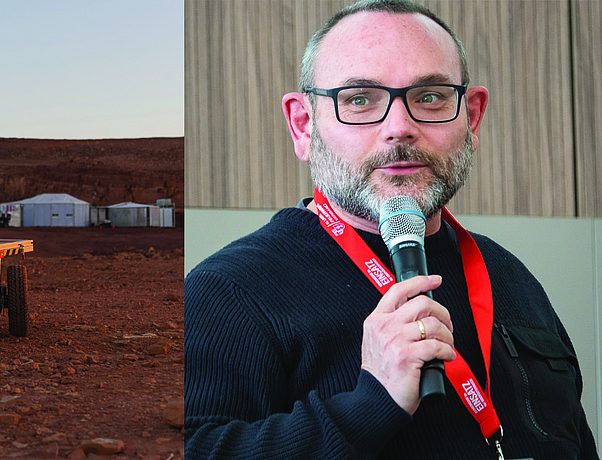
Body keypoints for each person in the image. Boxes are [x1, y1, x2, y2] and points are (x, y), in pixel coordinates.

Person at [183, 0, 598, 458]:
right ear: (304, 126)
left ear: (472, 116)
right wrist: (368, 405)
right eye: (359, 100)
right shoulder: (227, 292)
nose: (399, 127)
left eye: (431, 97)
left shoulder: (510, 276)